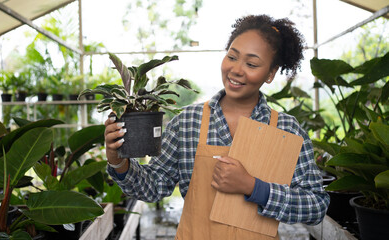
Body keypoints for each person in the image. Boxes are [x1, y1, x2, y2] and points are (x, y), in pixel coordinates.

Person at [104, 14, 329, 239]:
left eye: (251, 64)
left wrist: (253, 187)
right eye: (232, 57)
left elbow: (316, 206)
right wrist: (119, 161)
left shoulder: (286, 130)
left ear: (270, 73)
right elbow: (153, 186)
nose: (237, 70)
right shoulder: (188, 121)